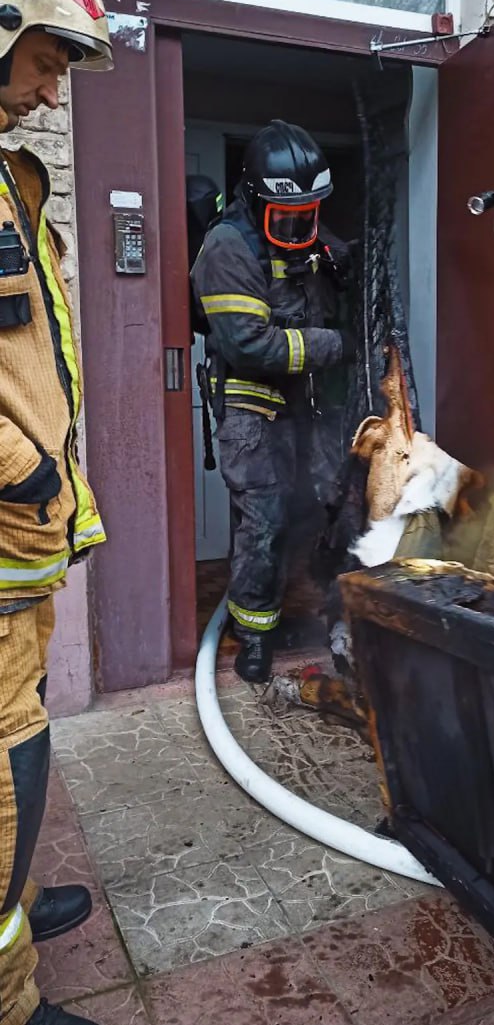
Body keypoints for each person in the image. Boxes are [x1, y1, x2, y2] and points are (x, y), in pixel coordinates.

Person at [0, 0, 112, 1025]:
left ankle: (18, 907)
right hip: (0, 521)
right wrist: (24, 472)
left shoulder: (7, 175)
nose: (49, 89)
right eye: (44, 59)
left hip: (19, 540)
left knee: (20, 734)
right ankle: (5, 1016)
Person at [191, 120, 354, 684]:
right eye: (290, 214)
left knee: (332, 508)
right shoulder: (227, 246)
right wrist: (329, 345)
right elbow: (248, 344)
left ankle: (340, 623)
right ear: (257, 199)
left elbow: (327, 255)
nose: (302, 225)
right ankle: (253, 637)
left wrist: (342, 263)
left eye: (310, 212)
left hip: (308, 407)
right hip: (252, 409)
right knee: (264, 523)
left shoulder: (304, 226)